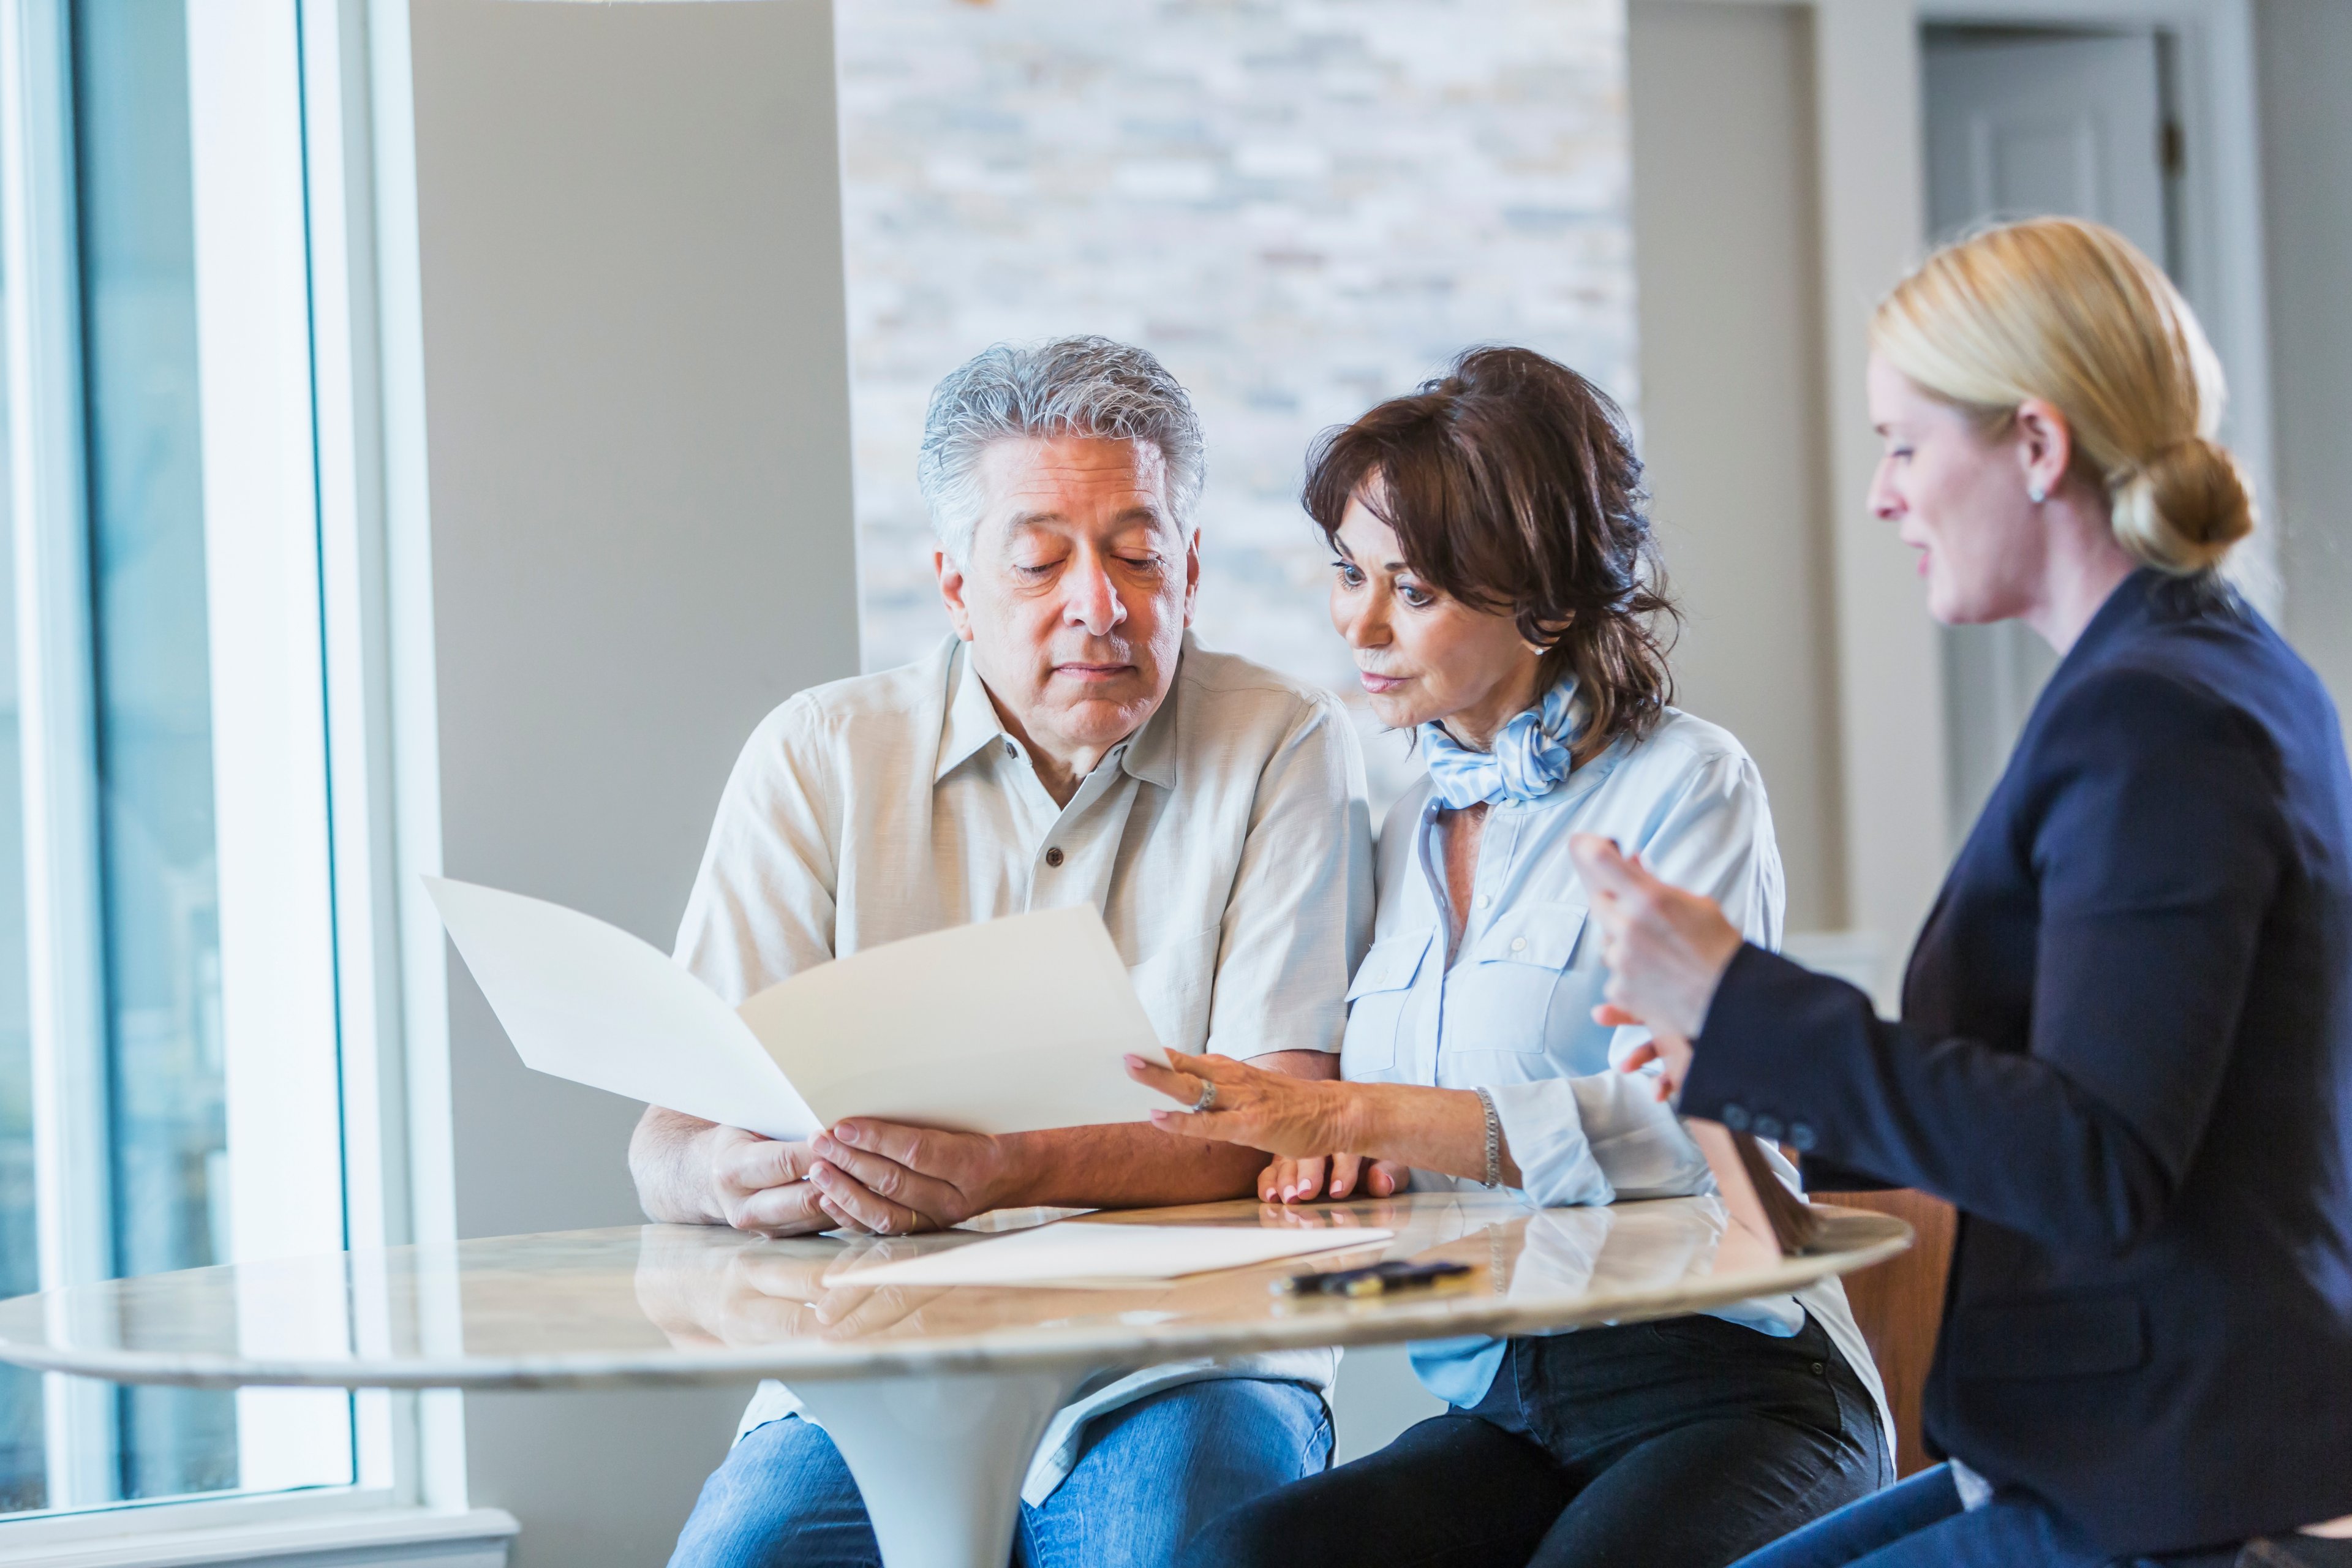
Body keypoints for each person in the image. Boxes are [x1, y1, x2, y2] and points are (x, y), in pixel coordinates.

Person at [1570, 217, 2352, 1567]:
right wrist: (1739, 1056)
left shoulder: (2159, 720)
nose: (1883, 494)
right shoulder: (2187, 674)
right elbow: (2045, 1096)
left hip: (2181, 1490)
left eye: (1904, 443)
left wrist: (1742, 1002)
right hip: (2108, 1447)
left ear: (2038, 447)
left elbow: (2094, 1157)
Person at [1126, 346, 1894, 1568]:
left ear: (1540, 598)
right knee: (1238, 1558)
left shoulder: (1687, 786)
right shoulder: (1393, 825)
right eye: (1348, 574)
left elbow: (1708, 1121)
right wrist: (1346, 1161)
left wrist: (1370, 1110)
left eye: (1414, 590)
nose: (1361, 625)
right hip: (1512, 1407)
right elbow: (1396, 1146)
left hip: (1733, 1386)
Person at [642, 336, 1374, 1568]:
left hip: (1184, 1358)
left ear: (1191, 572)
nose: (1100, 602)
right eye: (1039, 560)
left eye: (1141, 556)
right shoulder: (817, 755)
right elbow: (666, 1138)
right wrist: (726, 1174)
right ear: (954, 585)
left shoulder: (1285, 744)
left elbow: (1286, 1113)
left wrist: (996, 1167)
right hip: (874, 1364)